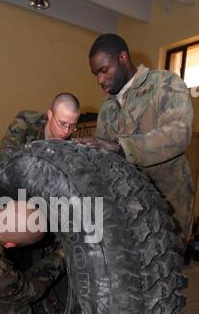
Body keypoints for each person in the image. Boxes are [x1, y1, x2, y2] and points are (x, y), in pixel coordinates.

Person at [74, 34, 194, 245]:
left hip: (168, 203)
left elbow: (178, 133)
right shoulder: (107, 107)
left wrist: (122, 147)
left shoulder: (164, 84)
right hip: (127, 205)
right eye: (95, 74)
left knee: (164, 269)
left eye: (104, 70)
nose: (100, 80)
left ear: (123, 58)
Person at [0, 93, 81, 153]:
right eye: (62, 124)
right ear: (50, 115)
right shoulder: (26, 121)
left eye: (72, 126)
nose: (66, 131)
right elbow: (7, 150)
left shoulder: (71, 142)